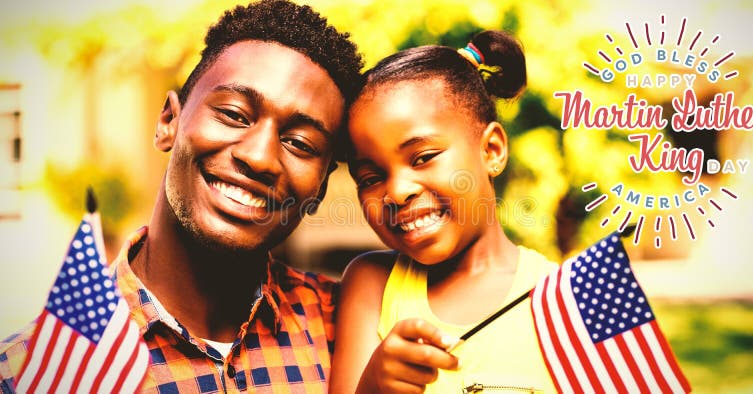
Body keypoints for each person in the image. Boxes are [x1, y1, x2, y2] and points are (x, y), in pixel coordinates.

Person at [0, 0, 363, 392]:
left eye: (299, 143)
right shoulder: (32, 374)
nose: (259, 157)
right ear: (168, 122)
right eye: (235, 115)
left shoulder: (352, 329)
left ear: (321, 187)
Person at [330, 31, 557, 393]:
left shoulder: (566, 299)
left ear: (492, 150)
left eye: (423, 157)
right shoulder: (372, 284)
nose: (398, 191)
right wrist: (374, 385)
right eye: (370, 177)